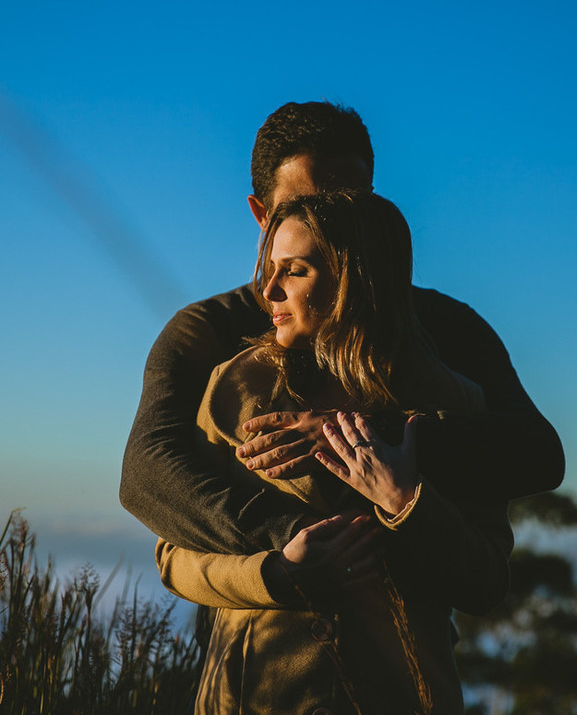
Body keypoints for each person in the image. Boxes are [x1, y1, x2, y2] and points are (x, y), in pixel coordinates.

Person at [121, 101, 563, 558]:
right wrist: (293, 538)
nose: (337, 221)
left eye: (355, 201)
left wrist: (367, 435)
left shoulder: (448, 326)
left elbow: (538, 454)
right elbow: (147, 475)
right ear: (261, 214)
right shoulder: (210, 329)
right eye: (306, 205)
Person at [156, 191, 512, 712]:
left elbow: (486, 584)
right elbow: (173, 557)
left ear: (355, 280)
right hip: (252, 700)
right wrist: (277, 575)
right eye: (270, 269)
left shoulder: (451, 403)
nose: (268, 290)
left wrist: (405, 502)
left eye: (295, 271)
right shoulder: (236, 388)